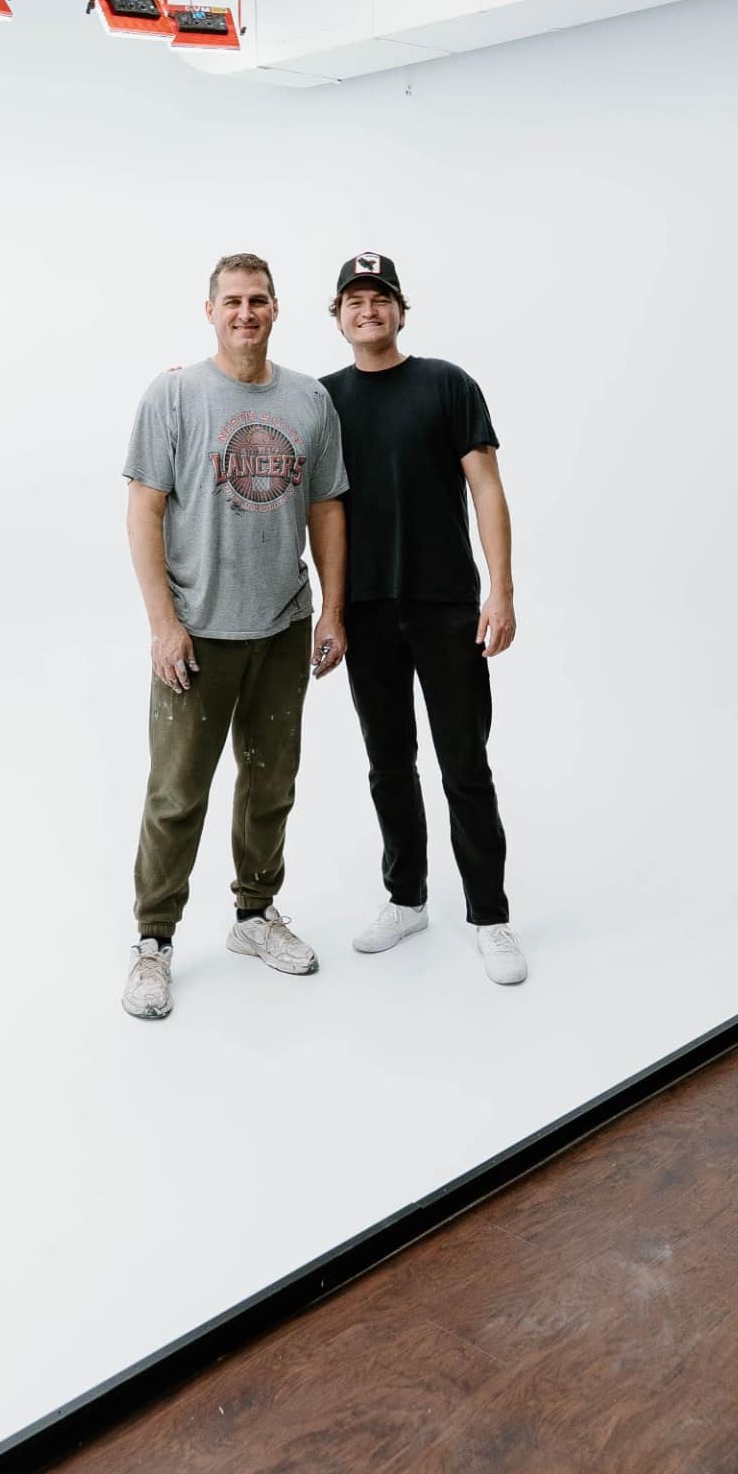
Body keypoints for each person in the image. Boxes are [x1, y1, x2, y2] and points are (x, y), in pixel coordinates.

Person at [119, 254, 347, 1022]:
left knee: (270, 784)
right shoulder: (176, 394)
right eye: (232, 302)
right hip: (198, 633)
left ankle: (254, 916)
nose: (245, 313)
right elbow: (144, 509)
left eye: (258, 301)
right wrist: (162, 624)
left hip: (281, 626)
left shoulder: (309, 399)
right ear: (210, 310)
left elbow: (326, 510)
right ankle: (153, 942)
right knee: (178, 793)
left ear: (277, 309)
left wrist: (333, 609)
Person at [317, 250, 524, 986]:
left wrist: (500, 590)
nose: (367, 309)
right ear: (337, 317)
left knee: (464, 764)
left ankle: (490, 916)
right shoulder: (323, 399)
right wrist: (331, 611)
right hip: (366, 609)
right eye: (353, 300)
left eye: (380, 298)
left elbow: (487, 489)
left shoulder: (447, 383)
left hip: (445, 604)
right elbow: (319, 507)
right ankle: (406, 898)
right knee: (388, 762)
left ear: (401, 311)